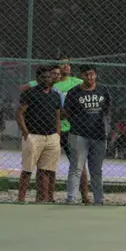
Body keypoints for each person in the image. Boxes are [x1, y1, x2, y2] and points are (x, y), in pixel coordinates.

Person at [64, 65, 111, 205]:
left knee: (96, 170)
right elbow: (67, 112)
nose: (89, 77)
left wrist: (106, 127)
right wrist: (79, 122)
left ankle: (99, 199)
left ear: (95, 75)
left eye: (92, 74)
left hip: (99, 135)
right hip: (79, 134)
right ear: (81, 76)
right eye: (86, 75)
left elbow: (107, 110)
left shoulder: (103, 90)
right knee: (76, 168)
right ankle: (71, 198)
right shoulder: (74, 92)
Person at [16, 66, 62, 202]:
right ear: (37, 79)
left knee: (46, 170)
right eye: (43, 77)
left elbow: (58, 116)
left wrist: (57, 134)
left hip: (52, 137)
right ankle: (21, 198)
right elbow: (19, 113)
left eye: (48, 77)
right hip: (33, 136)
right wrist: (25, 133)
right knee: (27, 170)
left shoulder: (55, 95)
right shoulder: (29, 93)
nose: (46, 80)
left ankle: (43, 199)